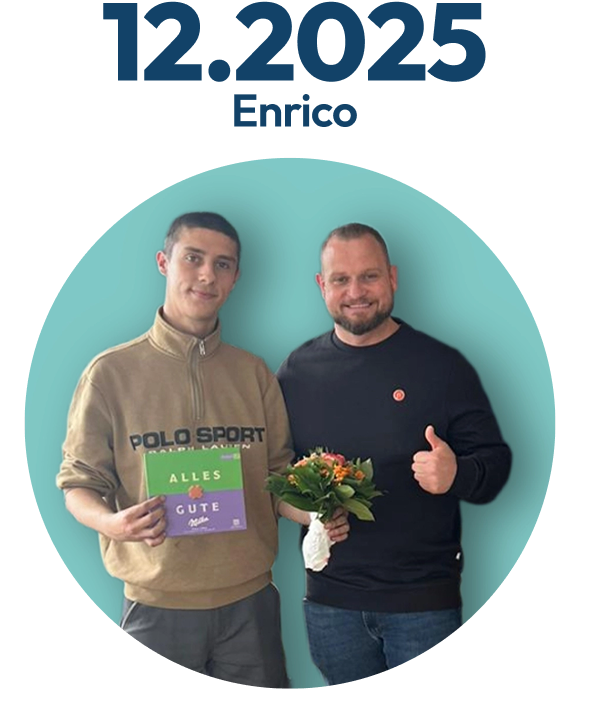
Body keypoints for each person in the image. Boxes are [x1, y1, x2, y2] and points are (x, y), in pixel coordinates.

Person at [56, 212, 348, 688]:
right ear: (163, 262)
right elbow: (77, 483)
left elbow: (278, 480)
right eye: (193, 258)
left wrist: (313, 515)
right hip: (156, 609)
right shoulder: (108, 375)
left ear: (235, 278)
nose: (207, 275)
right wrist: (112, 523)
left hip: (251, 605)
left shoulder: (254, 374)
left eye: (223, 264)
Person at [276, 223, 512, 685]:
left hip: (423, 605)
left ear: (393, 278)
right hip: (329, 605)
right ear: (321, 286)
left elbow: (496, 464)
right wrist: (308, 513)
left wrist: (457, 474)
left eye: (369, 276)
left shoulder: (442, 366)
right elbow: (278, 475)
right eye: (341, 279)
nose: (355, 292)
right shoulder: (295, 372)